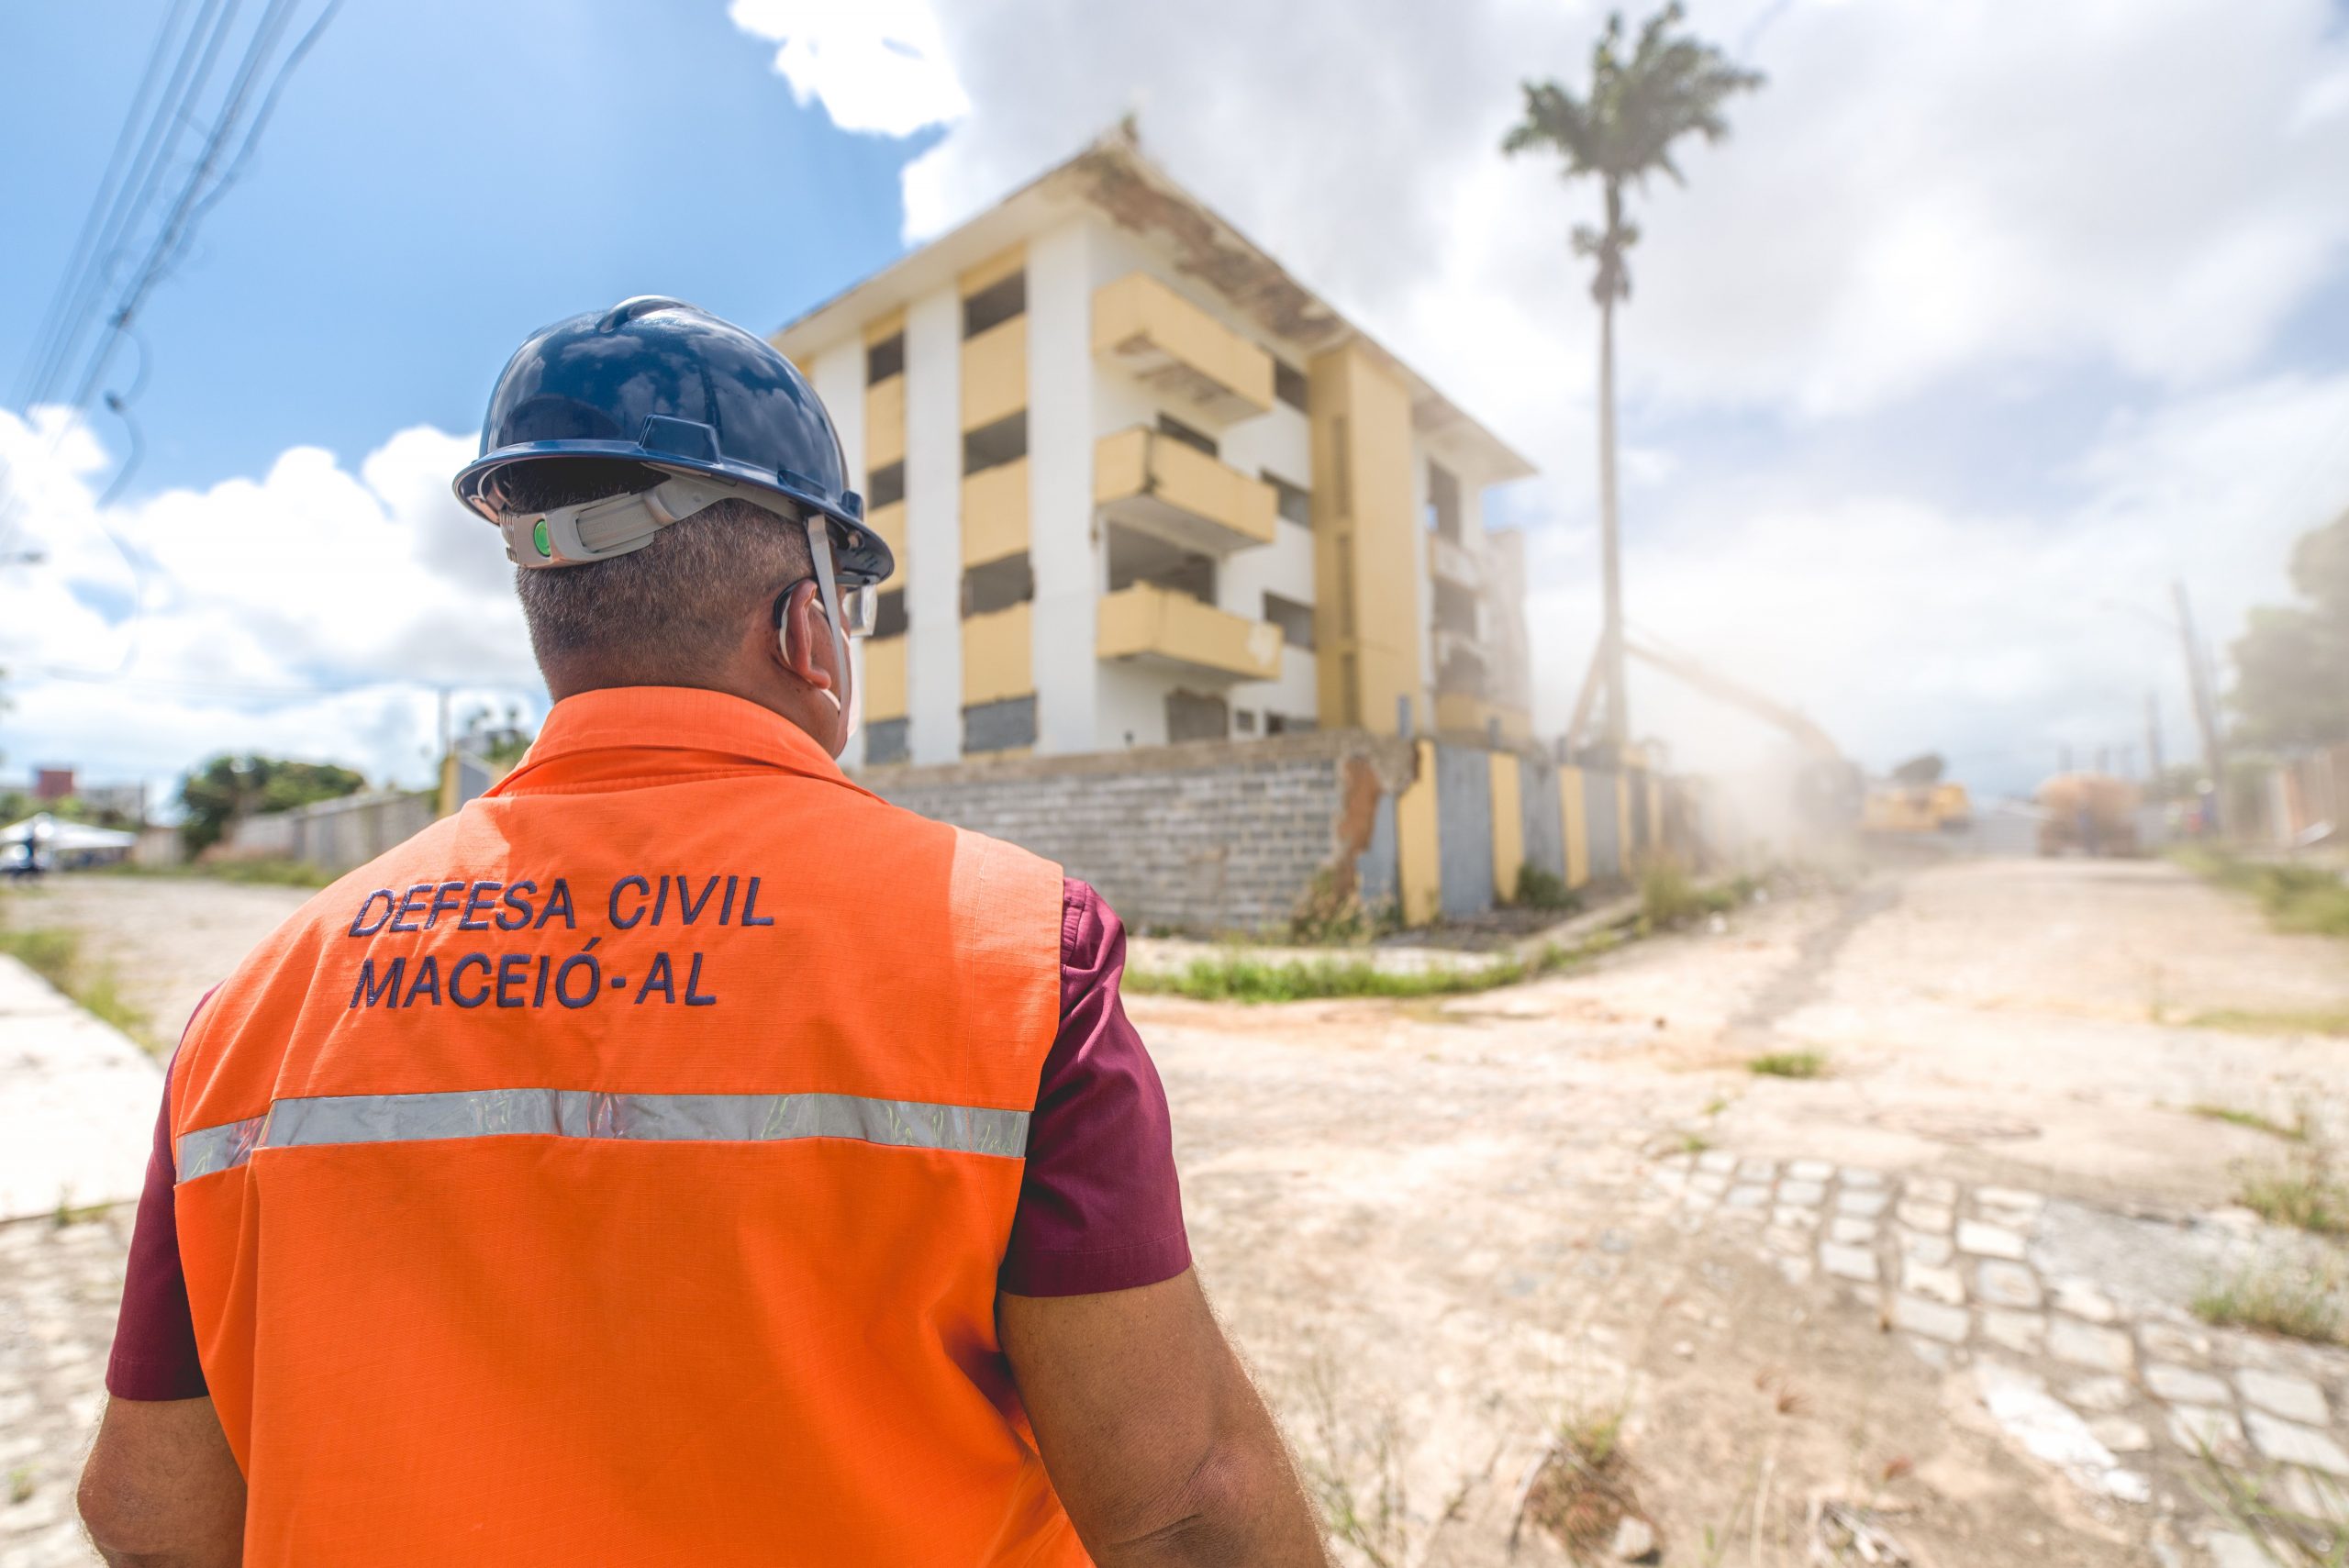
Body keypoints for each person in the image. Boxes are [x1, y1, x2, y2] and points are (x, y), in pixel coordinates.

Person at [76, 297, 1329, 1566]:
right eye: (853, 605)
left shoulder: (254, 1009)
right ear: (807, 623)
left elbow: (148, 1514)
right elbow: (1185, 1504)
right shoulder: (1014, 957)